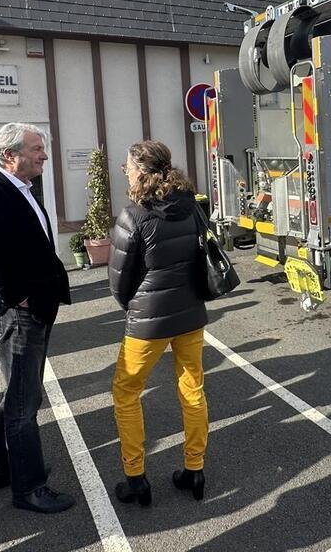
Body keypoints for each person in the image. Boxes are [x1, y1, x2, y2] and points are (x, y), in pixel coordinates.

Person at [0, 123, 75, 514]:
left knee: (18, 396)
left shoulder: (20, 190)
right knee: (25, 405)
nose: (44, 155)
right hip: (20, 314)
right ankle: (29, 488)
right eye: (36, 149)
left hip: (36, 308)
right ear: (10, 155)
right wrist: (19, 299)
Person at [109, 140, 209, 507]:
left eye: (127, 167)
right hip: (191, 313)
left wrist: (133, 307)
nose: (126, 172)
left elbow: (120, 282)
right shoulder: (192, 205)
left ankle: (135, 478)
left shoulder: (133, 215)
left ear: (140, 170)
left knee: (126, 393)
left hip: (147, 322)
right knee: (192, 388)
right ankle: (194, 469)